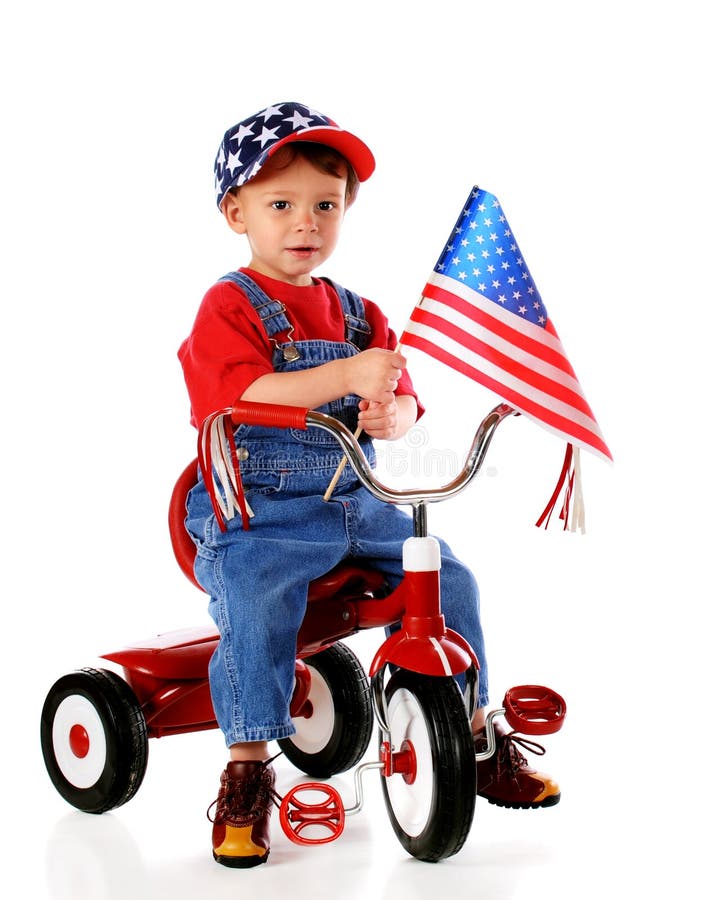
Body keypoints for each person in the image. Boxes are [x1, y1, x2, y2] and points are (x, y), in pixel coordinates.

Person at [179, 101, 559, 869]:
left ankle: (470, 730)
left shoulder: (360, 314)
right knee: (257, 603)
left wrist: (394, 410)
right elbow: (235, 395)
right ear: (236, 212)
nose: (305, 223)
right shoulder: (231, 304)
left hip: (357, 502)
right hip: (257, 512)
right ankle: (248, 767)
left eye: (326, 204)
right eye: (280, 205)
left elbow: (405, 395)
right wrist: (345, 378)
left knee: (449, 578)